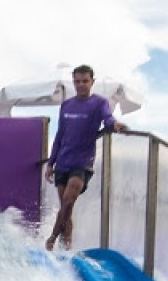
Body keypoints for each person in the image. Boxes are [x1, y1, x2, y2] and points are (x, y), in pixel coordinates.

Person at [43, 64, 119, 252]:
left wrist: (114, 124)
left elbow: (107, 118)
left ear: (92, 81)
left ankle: (52, 238)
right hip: (63, 162)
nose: (81, 85)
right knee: (66, 209)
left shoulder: (100, 103)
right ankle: (67, 243)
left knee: (69, 202)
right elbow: (59, 135)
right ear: (74, 82)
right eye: (77, 81)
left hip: (82, 163)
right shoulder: (66, 105)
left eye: (85, 81)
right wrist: (50, 163)